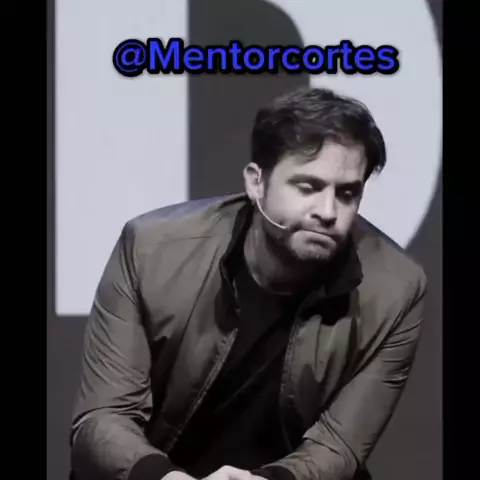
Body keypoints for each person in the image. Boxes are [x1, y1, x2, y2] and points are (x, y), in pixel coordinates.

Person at [70, 87, 427, 480]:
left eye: (346, 193)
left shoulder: (395, 289)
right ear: (257, 183)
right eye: (307, 187)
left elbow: (339, 445)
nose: (328, 212)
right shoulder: (150, 250)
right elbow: (103, 419)